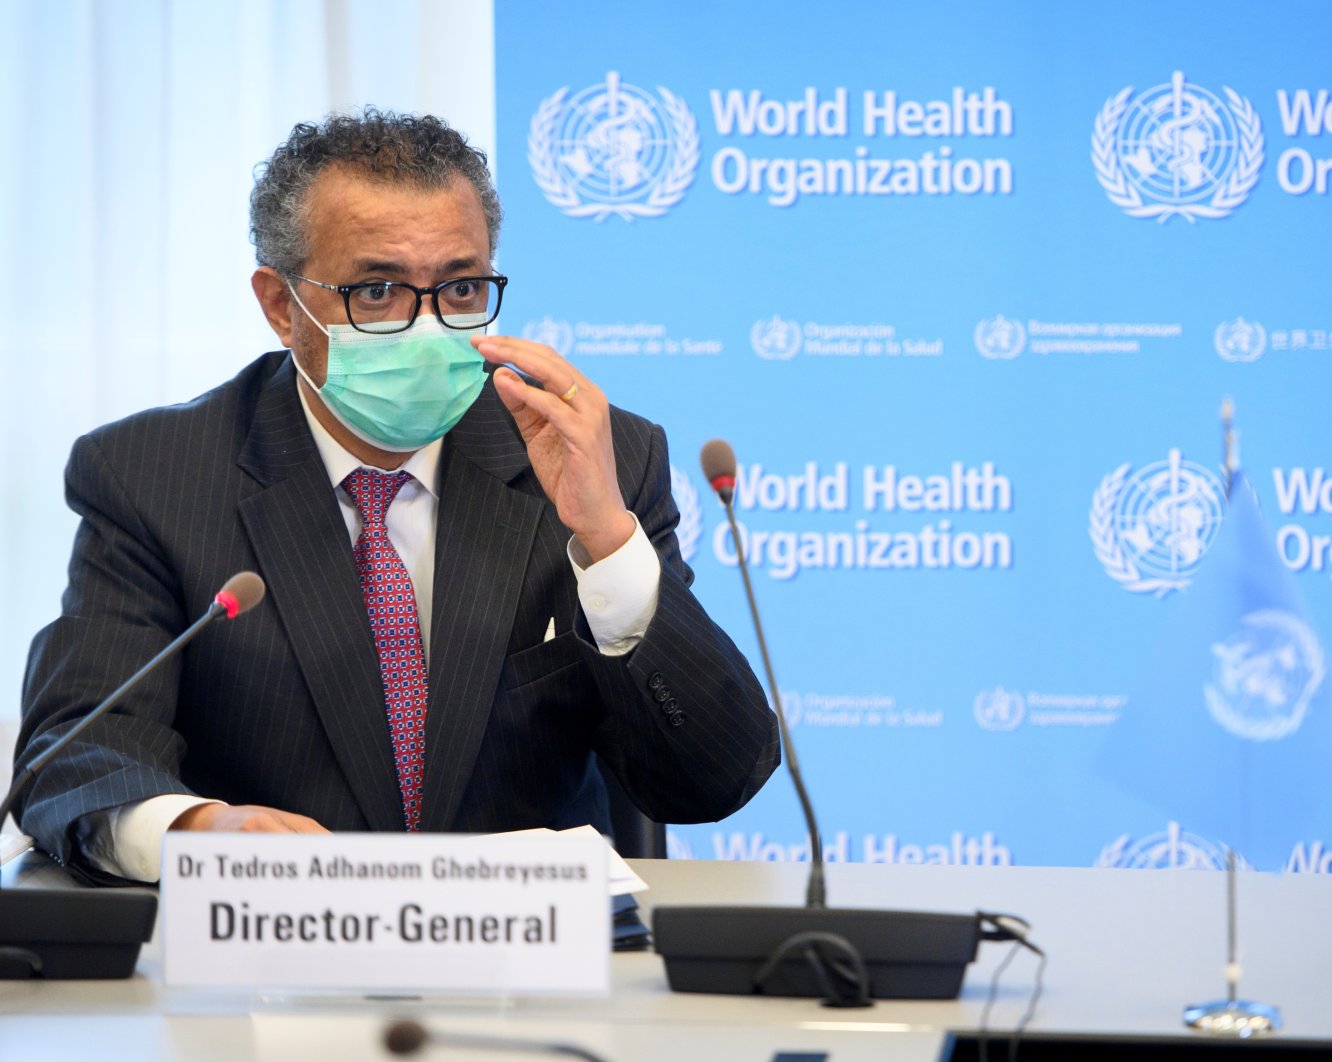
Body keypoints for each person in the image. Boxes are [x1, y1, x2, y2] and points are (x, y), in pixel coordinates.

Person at [12, 110, 778, 883]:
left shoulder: (585, 458)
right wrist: (203, 830)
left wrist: (608, 538)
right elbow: (75, 751)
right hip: (264, 960)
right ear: (282, 305)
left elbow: (712, 777)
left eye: (461, 286)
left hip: (533, 968)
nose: (427, 327)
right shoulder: (151, 476)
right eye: (377, 291)